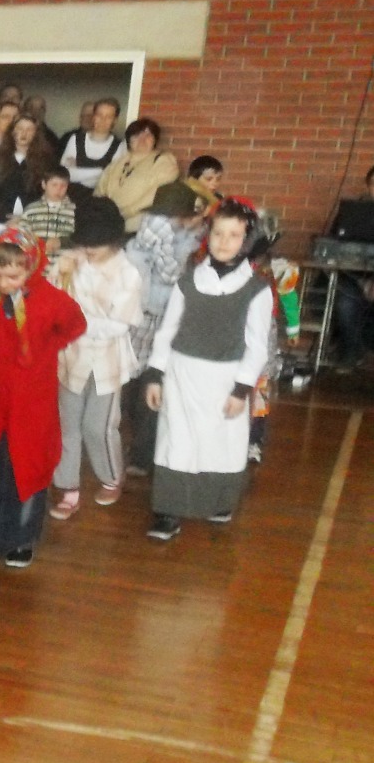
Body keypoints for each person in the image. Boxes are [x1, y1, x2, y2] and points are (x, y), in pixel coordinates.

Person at [0, 226, 88, 572]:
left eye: (13, 277)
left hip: (31, 406)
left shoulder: (50, 299)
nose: (2, 283)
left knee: (25, 472)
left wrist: (47, 349)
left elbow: (76, 324)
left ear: (31, 268)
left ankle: (20, 540)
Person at [145, 198, 273, 539]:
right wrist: (156, 374)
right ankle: (168, 510)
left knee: (221, 442)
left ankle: (219, 501)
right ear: (208, 235)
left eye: (233, 235)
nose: (224, 241)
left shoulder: (256, 289)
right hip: (182, 374)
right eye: (218, 233)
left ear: (246, 241)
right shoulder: (188, 282)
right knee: (176, 439)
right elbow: (168, 331)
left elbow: (257, 345)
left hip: (225, 380)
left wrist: (241, 389)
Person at [48, 198, 144, 518]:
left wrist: (77, 323)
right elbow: (51, 302)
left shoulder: (127, 273)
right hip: (70, 357)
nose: (89, 250)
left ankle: (111, 476)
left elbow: (119, 324)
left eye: (97, 245)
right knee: (66, 424)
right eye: (85, 243)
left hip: (107, 360)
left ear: (113, 241)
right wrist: (60, 275)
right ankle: (68, 487)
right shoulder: (72, 262)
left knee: (98, 426)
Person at [123, 181, 208, 475]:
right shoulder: (159, 229)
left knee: (149, 382)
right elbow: (170, 271)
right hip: (147, 315)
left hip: (161, 317)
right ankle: (141, 451)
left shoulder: (187, 237)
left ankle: (143, 453)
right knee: (141, 382)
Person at [95, 118, 179, 232]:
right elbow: (99, 191)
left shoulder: (163, 161)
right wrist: (101, 214)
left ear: (155, 140)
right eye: (136, 135)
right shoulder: (116, 164)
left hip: (139, 228)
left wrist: (126, 212)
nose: (142, 139)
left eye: (148, 135)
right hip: (107, 226)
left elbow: (158, 193)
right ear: (129, 140)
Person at [0, 115, 51, 238]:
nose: (24, 133)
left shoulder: (44, 160)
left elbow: (45, 192)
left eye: (29, 129)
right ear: (12, 131)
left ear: (36, 133)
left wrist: (25, 217)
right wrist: (7, 216)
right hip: (1, 221)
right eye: (20, 128)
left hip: (31, 223)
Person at [59, 98, 123, 196]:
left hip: (101, 199)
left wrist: (79, 170)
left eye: (109, 117)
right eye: (99, 115)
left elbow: (113, 180)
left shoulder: (120, 146)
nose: (103, 120)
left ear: (115, 120)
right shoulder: (76, 139)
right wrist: (102, 171)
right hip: (72, 197)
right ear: (93, 117)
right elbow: (65, 174)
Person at [21, 166, 77, 250]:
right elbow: (22, 235)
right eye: (54, 185)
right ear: (44, 184)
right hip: (37, 256)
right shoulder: (31, 210)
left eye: (63, 185)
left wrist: (61, 242)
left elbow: (80, 238)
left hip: (64, 257)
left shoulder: (75, 211)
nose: (59, 189)